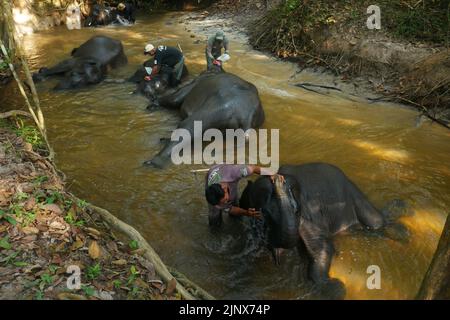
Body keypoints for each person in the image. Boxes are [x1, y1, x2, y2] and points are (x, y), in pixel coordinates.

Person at [205, 164, 284, 227]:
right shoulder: (214, 198)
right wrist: (246, 212)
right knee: (214, 218)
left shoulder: (236, 172)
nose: (222, 205)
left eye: (224, 201)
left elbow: (253, 168)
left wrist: (272, 173)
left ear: (225, 189)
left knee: (233, 203)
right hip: (213, 174)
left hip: (225, 173)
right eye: (221, 203)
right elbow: (228, 208)